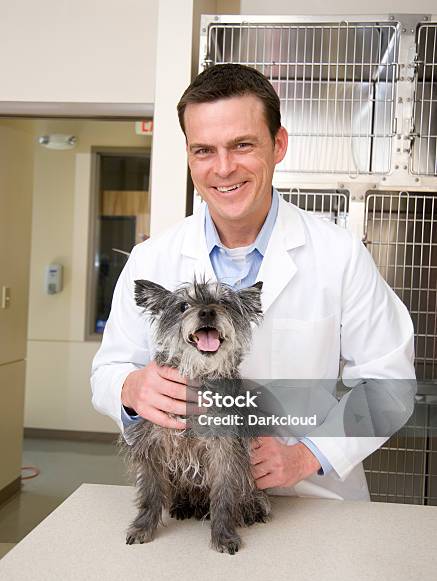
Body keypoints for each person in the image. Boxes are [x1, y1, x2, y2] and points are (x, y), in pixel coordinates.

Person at [91, 63, 415, 501]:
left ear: (278, 145)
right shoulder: (154, 259)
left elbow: (389, 385)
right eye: (203, 150)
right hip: (190, 502)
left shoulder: (339, 256)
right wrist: (130, 388)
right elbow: (109, 371)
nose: (223, 168)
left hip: (309, 500)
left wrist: (305, 455)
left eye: (242, 145)